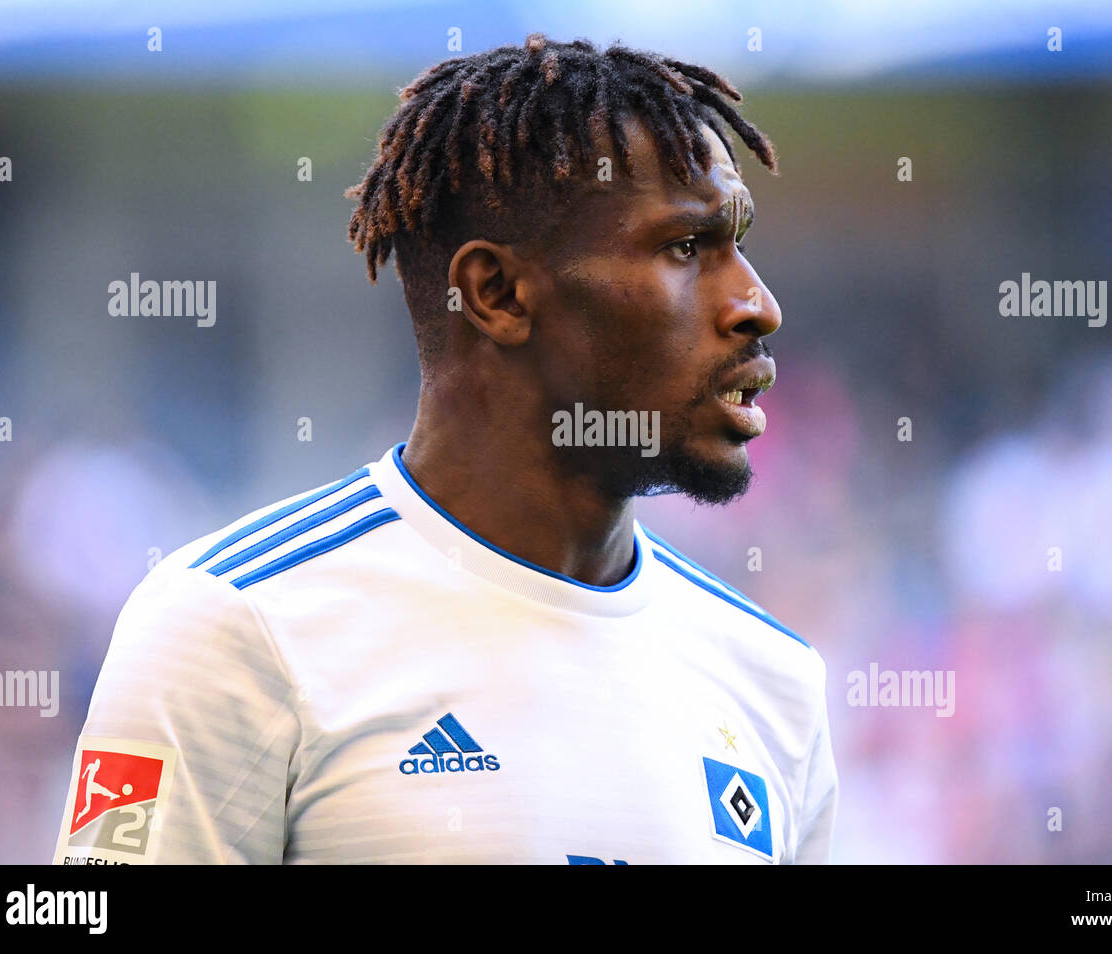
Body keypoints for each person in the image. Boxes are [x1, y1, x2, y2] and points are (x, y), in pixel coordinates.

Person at [53, 33, 837, 865]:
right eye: (686, 247)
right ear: (496, 294)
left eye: (739, 243)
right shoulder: (234, 628)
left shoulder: (773, 681)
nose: (757, 304)